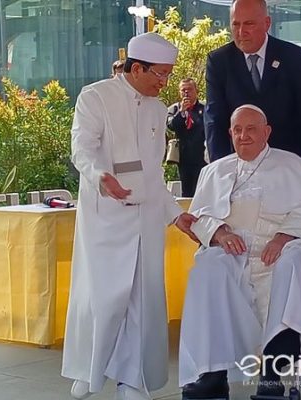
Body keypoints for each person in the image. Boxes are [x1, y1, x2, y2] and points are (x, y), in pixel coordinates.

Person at [62, 33, 198, 400]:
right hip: (106, 218)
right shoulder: (95, 96)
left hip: (147, 219)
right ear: (137, 69)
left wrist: (176, 215)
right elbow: (82, 148)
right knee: (104, 301)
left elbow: (153, 175)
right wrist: (99, 176)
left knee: (143, 301)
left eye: (168, 74)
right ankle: (89, 369)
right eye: (160, 74)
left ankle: (132, 380)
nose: (164, 82)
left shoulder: (157, 109)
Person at [178, 105, 301, 399]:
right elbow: (200, 218)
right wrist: (220, 233)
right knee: (208, 267)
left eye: (251, 129)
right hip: (235, 255)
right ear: (230, 133)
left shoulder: (294, 166)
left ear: (267, 132)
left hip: (281, 251)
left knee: (292, 262)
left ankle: (271, 377)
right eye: (237, 130)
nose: (244, 136)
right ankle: (213, 375)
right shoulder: (214, 171)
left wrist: (283, 237)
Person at [204, 0, 301, 179]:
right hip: (240, 171)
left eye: (249, 24)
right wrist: (221, 174)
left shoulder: (294, 57)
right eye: (236, 24)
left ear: (267, 23)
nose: (241, 32)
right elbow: (215, 121)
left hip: (288, 169)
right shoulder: (219, 62)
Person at [167, 78, 207, 197]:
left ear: (196, 91)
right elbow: (171, 126)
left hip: (202, 157)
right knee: (187, 193)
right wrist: (182, 112)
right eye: (183, 90)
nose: (186, 92)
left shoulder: (205, 108)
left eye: (189, 89)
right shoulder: (174, 109)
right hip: (184, 158)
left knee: (202, 191)